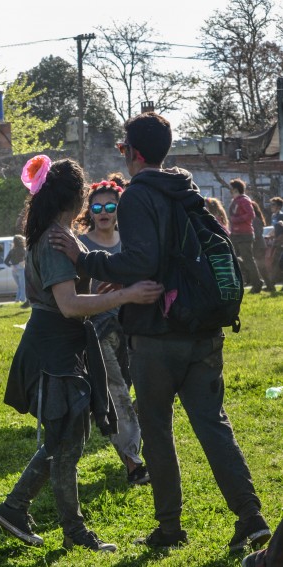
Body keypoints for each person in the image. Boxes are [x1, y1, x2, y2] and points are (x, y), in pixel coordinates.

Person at [49, 112, 272, 551]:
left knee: (157, 430)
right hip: (204, 327)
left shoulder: (137, 196)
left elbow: (141, 263)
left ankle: (169, 528)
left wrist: (85, 259)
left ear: (132, 152)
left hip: (158, 335)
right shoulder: (185, 190)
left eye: (122, 148)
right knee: (214, 425)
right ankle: (251, 517)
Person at [0, 157, 162, 553]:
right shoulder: (54, 240)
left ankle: (15, 507)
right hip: (53, 351)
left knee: (68, 438)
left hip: (66, 347)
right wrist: (126, 295)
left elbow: (73, 299)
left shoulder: (61, 235)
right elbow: (67, 306)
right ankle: (72, 529)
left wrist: (101, 297)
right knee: (66, 444)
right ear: (78, 195)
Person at [76, 178, 149, 486]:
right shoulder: (81, 243)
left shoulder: (132, 240)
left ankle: (124, 428)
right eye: (97, 206)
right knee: (116, 391)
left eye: (110, 206)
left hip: (134, 326)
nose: (103, 212)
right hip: (96, 330)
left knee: (143, 390)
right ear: (89, 211)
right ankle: (133, 461)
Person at [229, 179, 264, 293]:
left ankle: (257, 283)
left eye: (232, 189)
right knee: (232, 258)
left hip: (244, 234)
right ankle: (249, 280)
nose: (231, 191)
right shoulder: (236, 200)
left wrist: (235, 220)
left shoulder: (244, 200)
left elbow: (251, 214)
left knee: (248, 260)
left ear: (236, 189)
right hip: (236, 234)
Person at [249, 201, 274, 292]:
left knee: (261, 267)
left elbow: (257, 234)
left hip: (258, 246)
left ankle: (270, 286)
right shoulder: (257, 218)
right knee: (261, 267)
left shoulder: (254, 219)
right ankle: (269, 286)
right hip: (260, 245)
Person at [4, 235, 28, 306]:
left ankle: (17, 300)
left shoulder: (12, 250)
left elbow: (5, 261)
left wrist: (11, 265)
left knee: (20, 286)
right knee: (22, 285)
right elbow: (28, 257)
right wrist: (23, 262)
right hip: (21, 268)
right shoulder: (23, 249)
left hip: (14, 269)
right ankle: (22, 300)